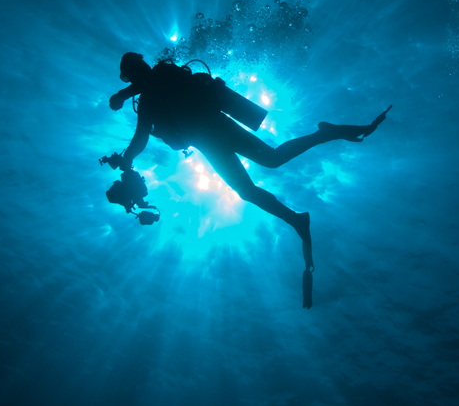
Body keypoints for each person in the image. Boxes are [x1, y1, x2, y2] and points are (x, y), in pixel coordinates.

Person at [109, 53, 391, 274]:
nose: (133, 77)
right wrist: (128, 154)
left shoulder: (161, 74)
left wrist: (123, 108)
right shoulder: (147, 96)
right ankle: (296, 218)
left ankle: (324, 135)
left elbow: (142, 129)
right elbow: (141, 136)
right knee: (253, 183)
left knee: (271, 161)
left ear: (135, 71)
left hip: (216, 129)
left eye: (130, 73)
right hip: (210, 140)